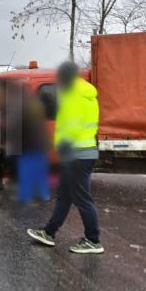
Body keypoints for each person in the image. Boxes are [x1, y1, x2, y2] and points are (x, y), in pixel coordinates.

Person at [27, 61, 104, 254]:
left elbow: (72, 125)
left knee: (82, 198)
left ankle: (93, 240)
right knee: (64, 196)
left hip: (76, 154)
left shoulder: (73, 95)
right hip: (83, 152)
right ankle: (49, 233)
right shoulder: (86, 94)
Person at [6, 82, 50, 202]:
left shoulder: (20, 107)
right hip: (41, 144)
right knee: (40, 171)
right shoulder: (36, 104)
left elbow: (17, 128)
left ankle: (25, 196)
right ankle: (44, 194)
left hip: (28, 145)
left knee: (25, 172)